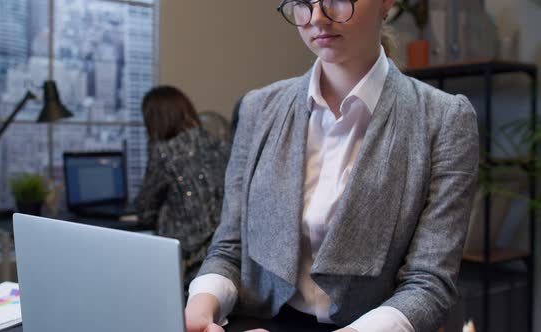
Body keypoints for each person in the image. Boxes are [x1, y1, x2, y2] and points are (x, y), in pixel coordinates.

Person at [185, 1, 479, 332]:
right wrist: (203, 301)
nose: (317, 18)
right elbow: (229, 248)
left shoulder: (443, 120)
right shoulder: (259, 109)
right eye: (302, 3)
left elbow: (429, 283)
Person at [134, 86, 230, 288]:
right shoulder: (218, 143)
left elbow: (144, 209)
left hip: (187, 260)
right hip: (225, 253)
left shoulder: (164, 152)